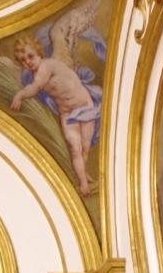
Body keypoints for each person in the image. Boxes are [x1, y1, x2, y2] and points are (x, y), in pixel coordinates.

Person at [10, 35, 100, 196]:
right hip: (67, 113)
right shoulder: (33, 76)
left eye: (30, 56)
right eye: (23, 60)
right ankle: (83, 184)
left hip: (85, 106)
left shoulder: (47, 66)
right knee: (75, 148)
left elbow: (35, 88)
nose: (28, 62)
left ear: (38, 52)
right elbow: (34, 86)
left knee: (85, 147)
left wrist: (19, 96)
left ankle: (83, 174)